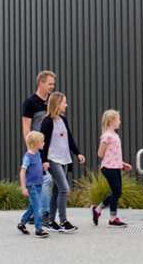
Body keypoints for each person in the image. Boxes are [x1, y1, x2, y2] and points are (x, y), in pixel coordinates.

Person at [40, 91, 86, 233]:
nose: (66, 105)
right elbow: (43, 142)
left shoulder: (63, 120)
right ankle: (63, 221)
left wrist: (78, 153)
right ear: (57, 104)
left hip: (65, 159)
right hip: (53, 160)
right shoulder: (47, 121)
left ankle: (51, 222)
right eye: (64, 102)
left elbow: (69, 139)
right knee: (64, 189)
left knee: (56, 190)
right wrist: (44, 160)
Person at [21, 70, 56, 223]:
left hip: (52, 148)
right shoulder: (30, 103)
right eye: (50, 84)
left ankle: (36, 213)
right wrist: (32, 151)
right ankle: (43, 213)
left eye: (53, 84)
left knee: (48, 181)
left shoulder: (52, 102)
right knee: (44, 180)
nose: (52, 87)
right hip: (38, 148)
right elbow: (26, 129)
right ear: (41, 83)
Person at [91, 109, 132, 227]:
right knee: (117, 192)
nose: (120, 121)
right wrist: (105, 149)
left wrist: (122, 164)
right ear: (111, 121)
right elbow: (100, 153)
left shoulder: (115, 135)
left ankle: (98, 210)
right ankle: (113, 218)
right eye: (118, 119)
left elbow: (114, 154)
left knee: (117, 192)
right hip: (108, 168)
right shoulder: (107, 136)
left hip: (115, 167)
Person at [17, 131, 49, 238]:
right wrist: (23, 187)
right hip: (32, 186)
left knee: (33, 206)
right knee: (38, 207)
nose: (44, 143)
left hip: (39, 184)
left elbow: (37, 168)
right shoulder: (27, 157)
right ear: (35, 143)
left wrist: (43, 167)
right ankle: (38, 229)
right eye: (42, 141)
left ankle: (22, 223)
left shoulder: (38, 154)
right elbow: (22, 172)